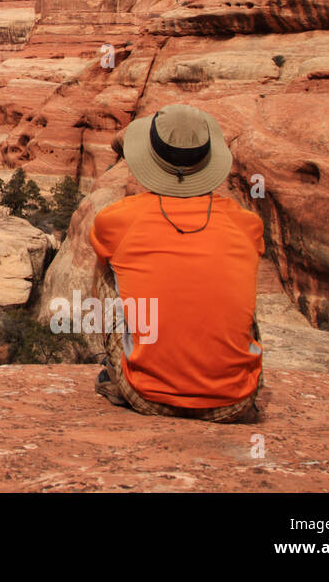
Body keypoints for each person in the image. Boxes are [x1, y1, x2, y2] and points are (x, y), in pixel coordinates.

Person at [90, 103, 264, 423]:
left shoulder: (116, 220)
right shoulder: (247, 223)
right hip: (235, 401)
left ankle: (123, 370)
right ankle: (223, 367)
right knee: (231, 274)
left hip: (147, 397)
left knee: (105, 270)